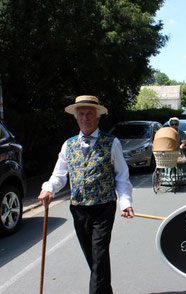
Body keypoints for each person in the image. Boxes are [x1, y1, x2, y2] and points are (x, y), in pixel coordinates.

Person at [38, 95, 134, 294]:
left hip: (103, 208)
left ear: (98, 117)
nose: (85, 118)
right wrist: (49, 189)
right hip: (79, 209)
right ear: (75, 117)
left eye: (89, 114)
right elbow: (60, 174)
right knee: (92, 257)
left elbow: (122, 176)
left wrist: (125, 203)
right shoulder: (69, 144)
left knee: (99, 255)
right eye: (81, 114)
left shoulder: (112, 142)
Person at [159, 117, 186, 186]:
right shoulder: (167, 133)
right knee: (166, 162)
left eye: (176, 124)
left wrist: (181, 145)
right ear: (170, 125)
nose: (174, 126)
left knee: (182, 162)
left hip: (178, 150)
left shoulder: (181, 133)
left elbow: (184, 142)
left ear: (178, 125)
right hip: (169, 150)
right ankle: (167, 180)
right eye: (173, 124)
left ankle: (184, 179)